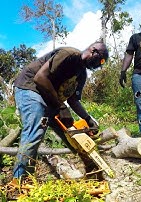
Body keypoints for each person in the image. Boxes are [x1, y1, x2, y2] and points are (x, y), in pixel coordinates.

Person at [10, 40, 109, 184]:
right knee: (36, 130)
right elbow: (40, 78)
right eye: (99, 61)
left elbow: (74, 100)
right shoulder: (69, 55)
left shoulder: (81, 74)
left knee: (73, 133)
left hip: (50, 97)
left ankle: (93, 171)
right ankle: (19, 182)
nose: (98, 65)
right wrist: (59, 105)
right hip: (30, 88)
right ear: (93, 50)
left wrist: (88, 119)